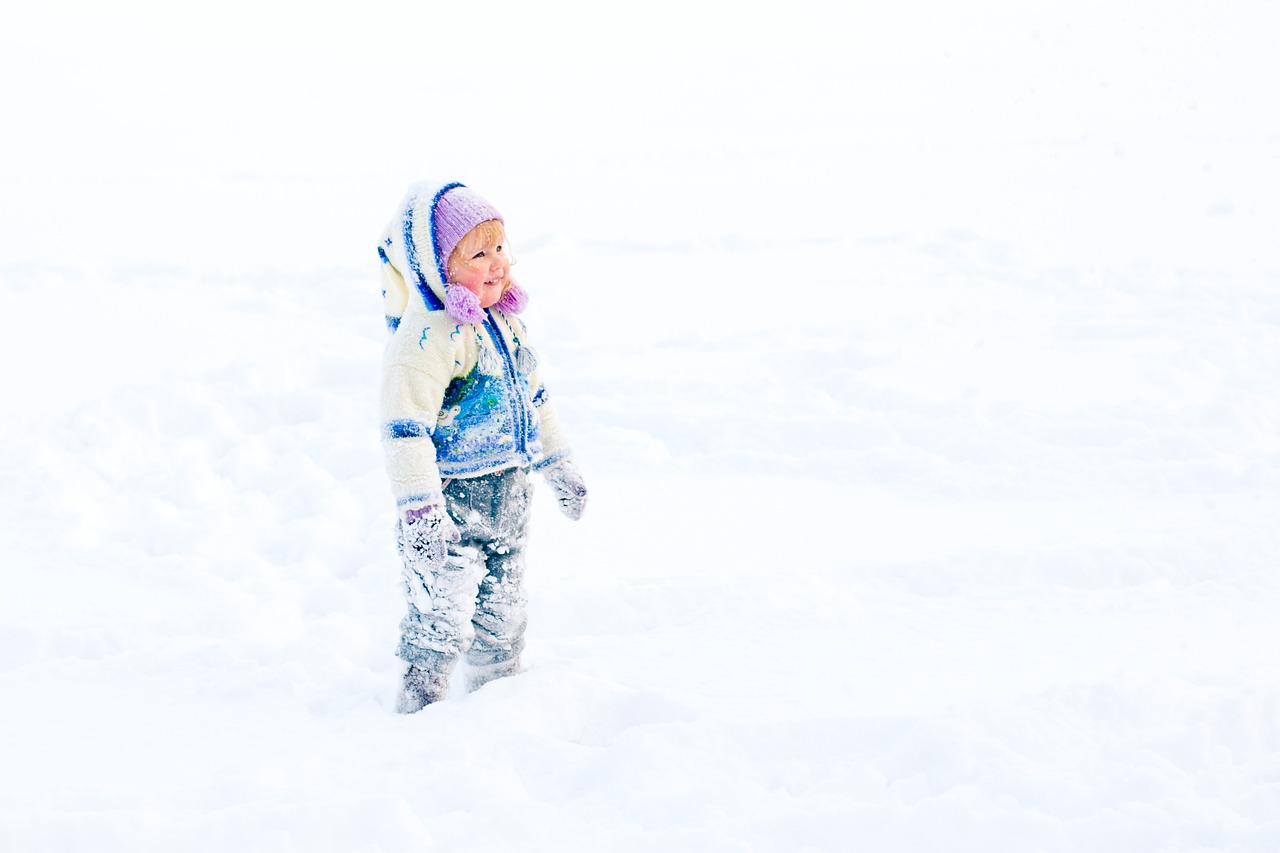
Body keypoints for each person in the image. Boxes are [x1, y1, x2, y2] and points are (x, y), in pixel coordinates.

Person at [376, 180, 587, 712]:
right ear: (438, 268)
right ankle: (418, 707)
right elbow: (405, 430)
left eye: (500, 248)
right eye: (478, 254)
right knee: (439, 616)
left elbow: (535, 399)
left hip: (509, 495)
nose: (497, 263)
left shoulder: (506, 324)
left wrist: (559, 464)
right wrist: (420, 510)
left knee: (504, 613)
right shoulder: (425, 338)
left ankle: (496, 703)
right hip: (450, 504)